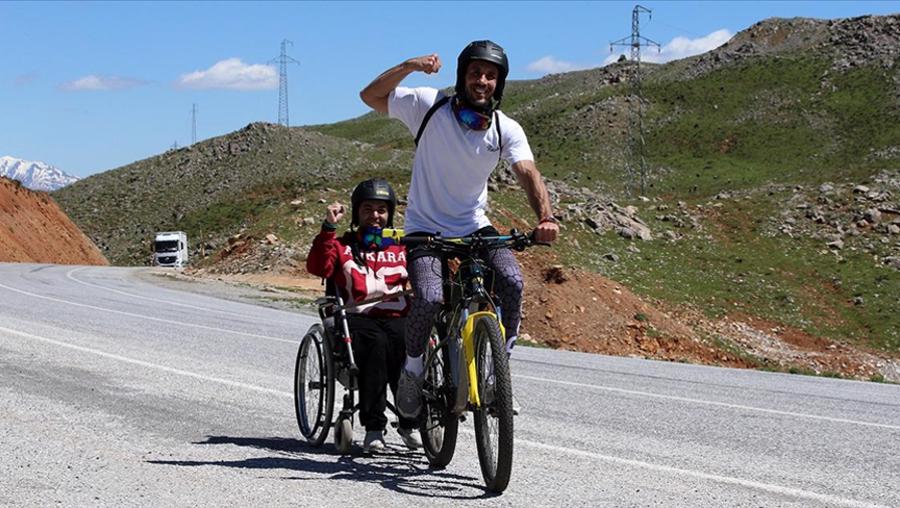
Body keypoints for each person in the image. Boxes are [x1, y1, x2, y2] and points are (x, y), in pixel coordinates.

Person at [360, 40, 559, 419]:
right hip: (424, 228)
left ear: (498, 84)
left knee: (512, 282)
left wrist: (545, 218)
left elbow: (528, 173)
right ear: (462, 75)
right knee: (431, 297)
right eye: (475, 72)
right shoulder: (428, 105)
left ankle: (497, 375)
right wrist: (409, 64)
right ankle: (414, 370)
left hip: (474, 225)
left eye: (490, 75)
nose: (481, 80)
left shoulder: (504, 128)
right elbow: (370, 96)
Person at [305, 178, 421, 453]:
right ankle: (374, 428)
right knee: (376, 345)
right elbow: (318, 266)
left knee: (410, 345)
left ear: (390, 213)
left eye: (381, 210)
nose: (375, 216)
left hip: (397, 316)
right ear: (357, 213)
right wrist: (328, 228)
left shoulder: (402, 246)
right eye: (368, 209)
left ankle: (411, 422)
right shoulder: (342, 245)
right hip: (357, 317)